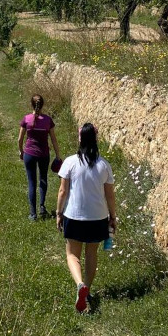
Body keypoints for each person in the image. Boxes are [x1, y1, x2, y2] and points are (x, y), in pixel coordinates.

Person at [56, 122, 116, 312]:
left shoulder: (70, 162)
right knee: (92, 253)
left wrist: (58, 213)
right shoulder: (104, 165)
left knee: (72, 254)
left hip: (74, 215)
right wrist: (112, 217)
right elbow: (110, 195)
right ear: (96, 139)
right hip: (98, 217)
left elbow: (62, 191)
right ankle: (87, 289)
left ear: (80, 138)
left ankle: (79, 284)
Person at [18, 94, 61, 221]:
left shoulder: (26, 119)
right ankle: (42, 207)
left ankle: (33, 213)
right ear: (42, 105)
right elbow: (54, 139)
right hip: (44, 154)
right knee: (43, 179)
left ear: (32, 104)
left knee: (32, 182)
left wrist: (21, 151)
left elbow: (20, 139)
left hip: (29, 154)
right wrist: (58, 155)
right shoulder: (48, 120)